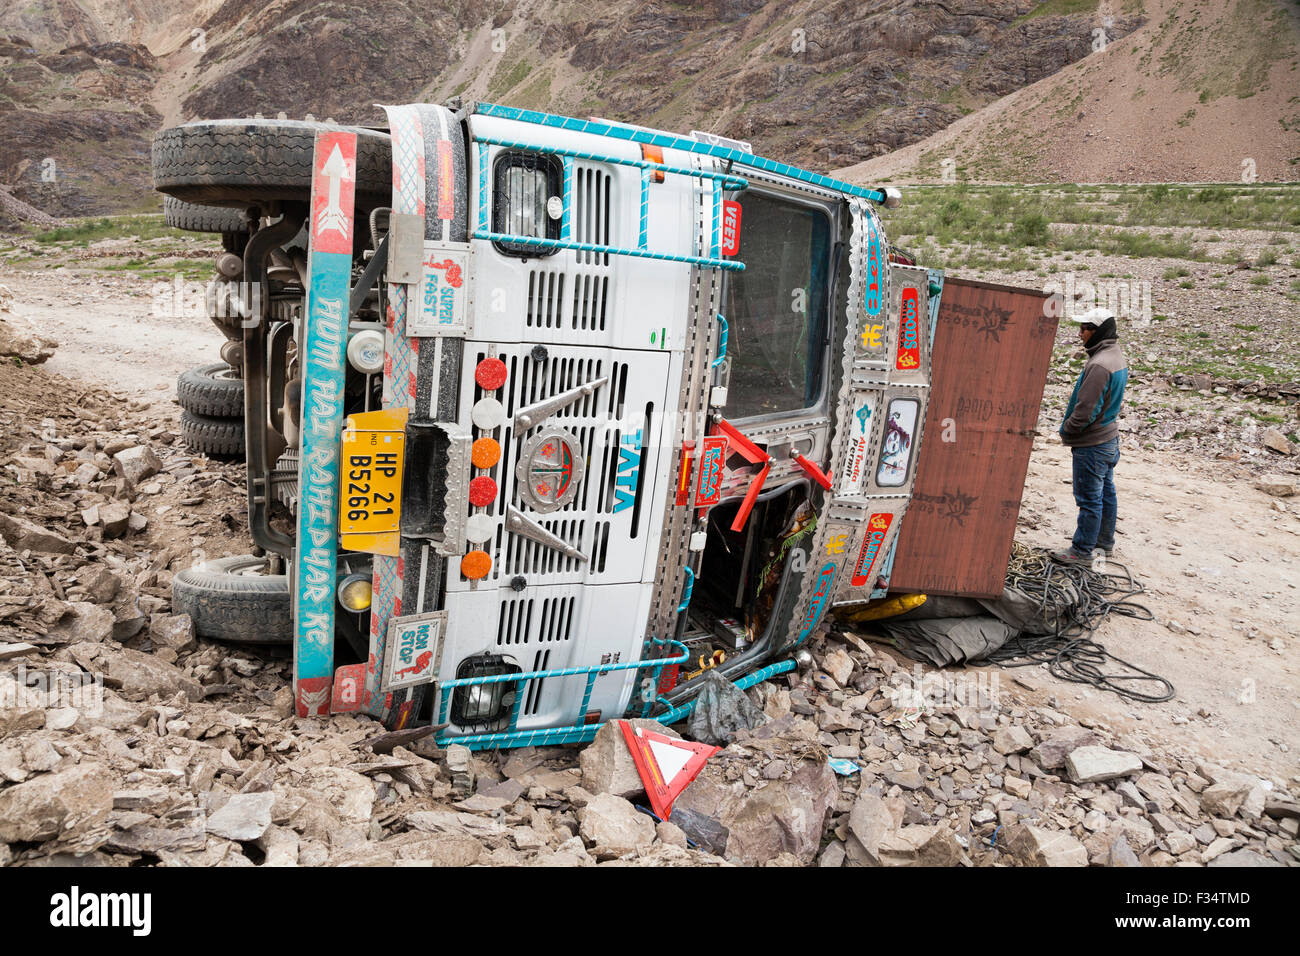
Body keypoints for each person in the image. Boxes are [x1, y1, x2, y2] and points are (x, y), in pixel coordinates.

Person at [1053, 307, 1128, 566]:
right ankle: (1104, 544)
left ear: (1097, 331)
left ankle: (1082, 551)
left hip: (1093, 444)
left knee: (1089, 499)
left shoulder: (1099, 365)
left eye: (1084, 328)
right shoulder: (1115, 356)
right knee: (1106, 493)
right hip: (1109, 439)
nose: (1080, 333)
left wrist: (1067, 429)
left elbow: (1086, 411)